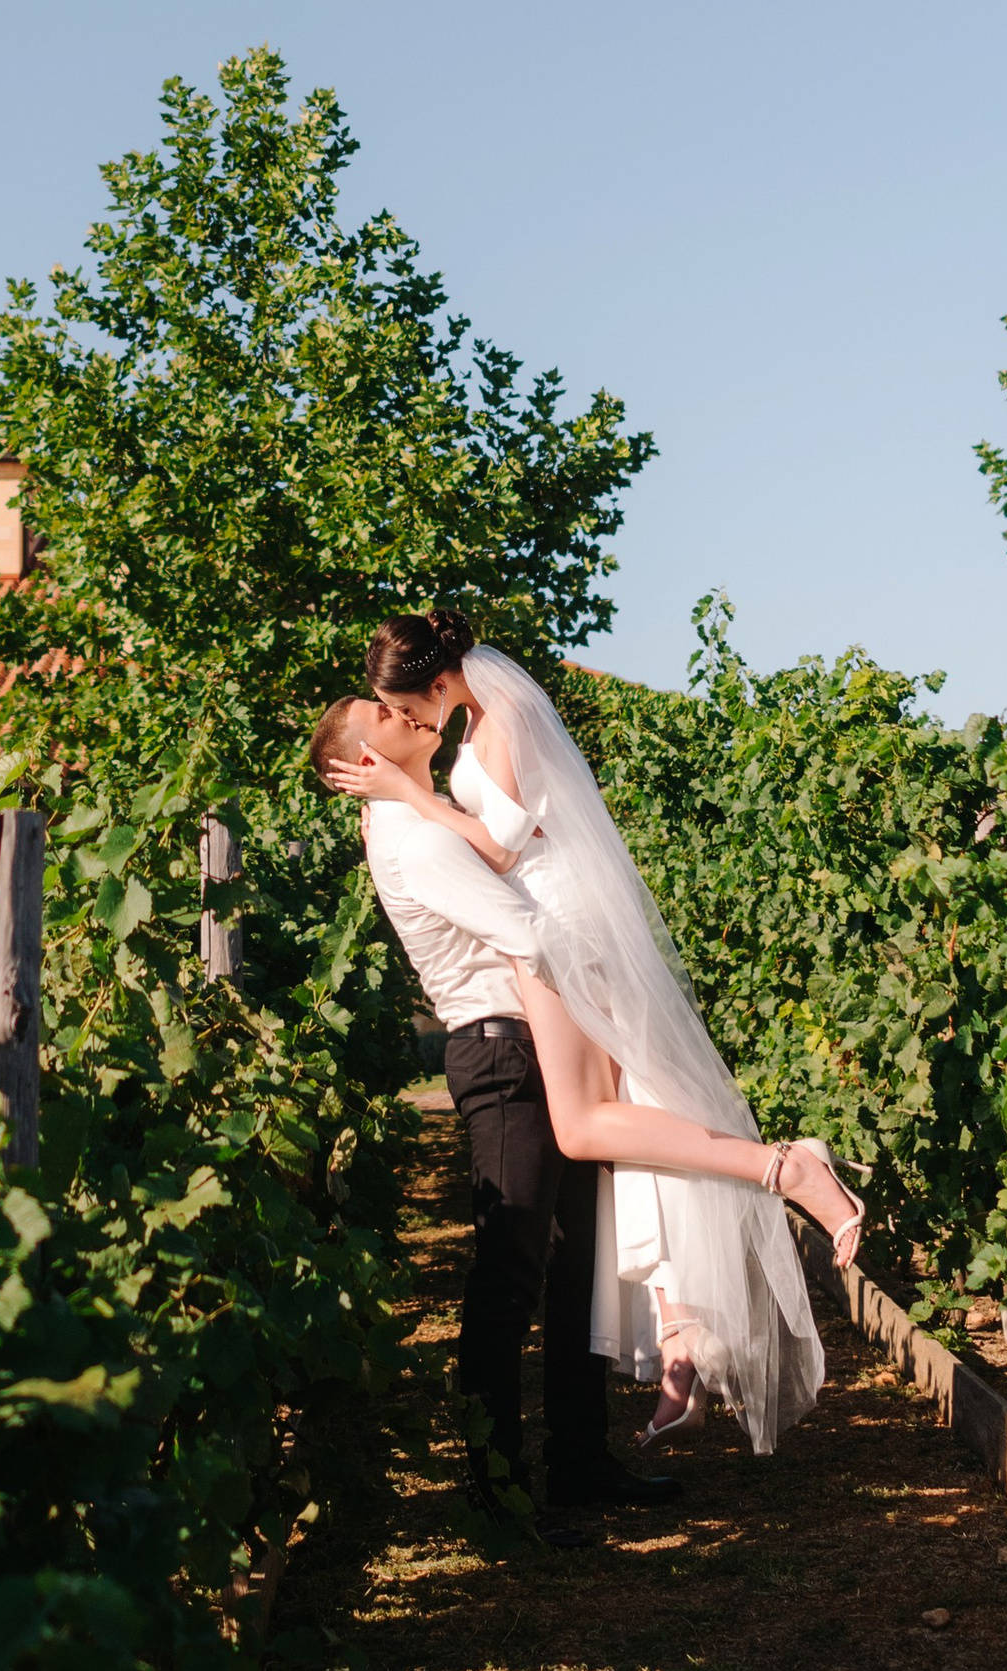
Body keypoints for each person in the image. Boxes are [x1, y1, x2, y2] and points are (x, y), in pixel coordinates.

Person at [340, 609, 860, 1458]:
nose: (405, 721)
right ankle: (682, 1332)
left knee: (585, 1127)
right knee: (629, 1115)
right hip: (548, 922)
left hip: (555, 923)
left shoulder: (502, 717)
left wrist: (411, 797)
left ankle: (784, 1167)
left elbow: (501, 852)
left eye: (404, 706)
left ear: (436, 682)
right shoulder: (473, 721)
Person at [310, 690, 675, 1538]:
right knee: (508, 1274)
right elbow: (528, 931)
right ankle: (499, 1495)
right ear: (365, 761)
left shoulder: (426, 816)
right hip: (503, 1053)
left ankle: (579, 1460)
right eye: (384, 715)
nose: (405, 712)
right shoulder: (412, 836)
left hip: (540, 1042)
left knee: (575, 1260)